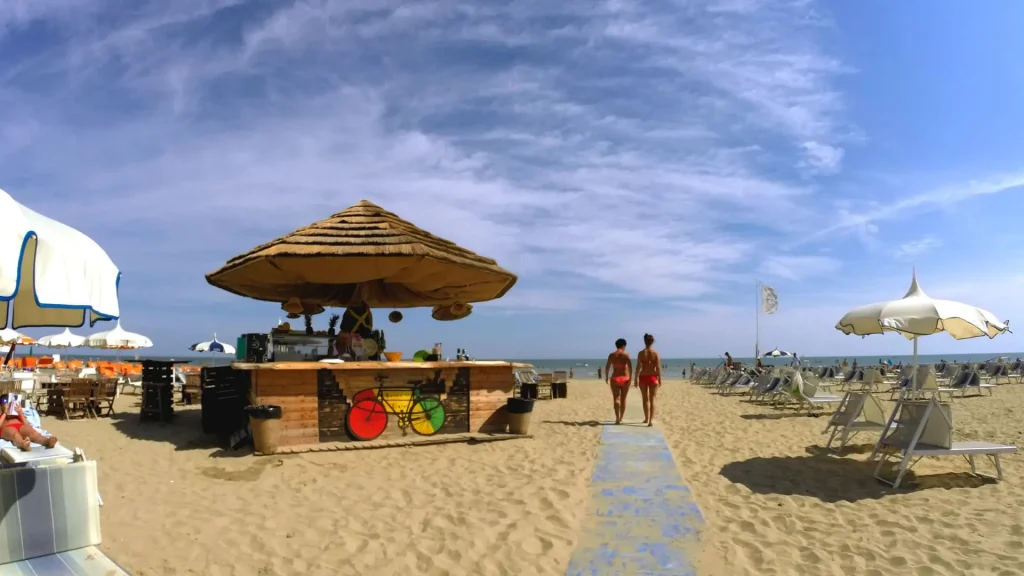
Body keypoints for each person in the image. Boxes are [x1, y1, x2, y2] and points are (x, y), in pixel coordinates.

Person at [635, 333, 661, 426]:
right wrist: (660, 379)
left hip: (643, 377)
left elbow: (638, 367)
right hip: (653, 377)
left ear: (644, 341)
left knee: (645, 399)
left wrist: (635, 378)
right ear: (652, 342)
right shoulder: (655, 353)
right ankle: (650, 420)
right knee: (652, 399)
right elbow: (658, 367)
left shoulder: (641, 353)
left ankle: (646, 418)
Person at [605, 338, 632, 424]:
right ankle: (621, 418)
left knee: (616, 398)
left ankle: (617, 418)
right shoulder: (626, 355)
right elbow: (631, 368)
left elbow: (607, 367)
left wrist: (606, 376)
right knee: (623, 399)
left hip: (615, 378)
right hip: (625, 378)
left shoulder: (612, 355)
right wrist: (631, 378)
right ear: (623, 346)